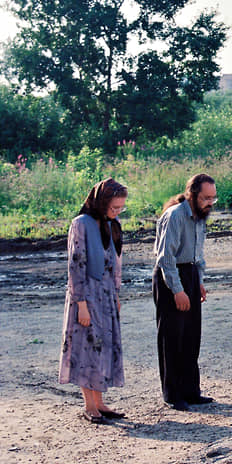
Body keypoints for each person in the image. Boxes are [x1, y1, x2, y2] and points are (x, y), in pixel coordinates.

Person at [58, 178, 128, 424]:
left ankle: (100, 402)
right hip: (86, 295)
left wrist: (116, 294)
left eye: (120, 208)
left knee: (104, 348)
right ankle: (90, 406)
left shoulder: (112, 224)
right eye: (113, 207)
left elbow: (116, 262)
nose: (117, 212)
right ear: (101, 202)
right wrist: (81, 304)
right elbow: (75, 266)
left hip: (106, 295)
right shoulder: (81, 224)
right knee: (88, 348)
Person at [153, 173, 217, 411]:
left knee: (191, 336)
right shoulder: (175, 216)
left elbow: (197, 255)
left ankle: (191, 391)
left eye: (213, 198)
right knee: (172, 338)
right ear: (193, 194)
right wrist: (177, 290)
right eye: (205, 198)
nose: (210, 202)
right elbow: (166, 258)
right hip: (170, 277)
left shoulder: (200, 218)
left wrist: (198, 281)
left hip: (189, 276)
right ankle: (173, 394)